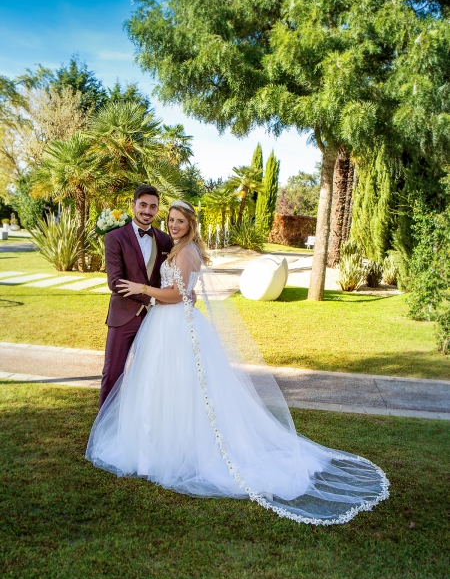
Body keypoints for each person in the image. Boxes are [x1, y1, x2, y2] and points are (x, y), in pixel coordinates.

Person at [86, 199, 389, 525]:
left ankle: (174, 452)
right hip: (164, 324)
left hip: (175, 325)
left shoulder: (186, 251)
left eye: (179, 221)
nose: (173, 225)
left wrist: (143, 288)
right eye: (171, 220)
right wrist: (173, 291)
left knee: (180, 388)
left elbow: (178, 294)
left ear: (190, 225)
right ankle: (155, 447)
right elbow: (185, 291)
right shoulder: (177, 248)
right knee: (161, 387)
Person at [99, 185, 172, 407]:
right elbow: (115, 282)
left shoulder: (165, 240)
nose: (147, 211)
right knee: (112, 373)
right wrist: (151, 298)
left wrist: (184, 291)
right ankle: (105, 423)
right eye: (143, 205)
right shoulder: (115, 237)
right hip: (123, 316)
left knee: (149, 374)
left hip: (155, 319)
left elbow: (171, 275)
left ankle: (141, 419)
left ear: (157, 210)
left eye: (153, 206)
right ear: (133, 206)